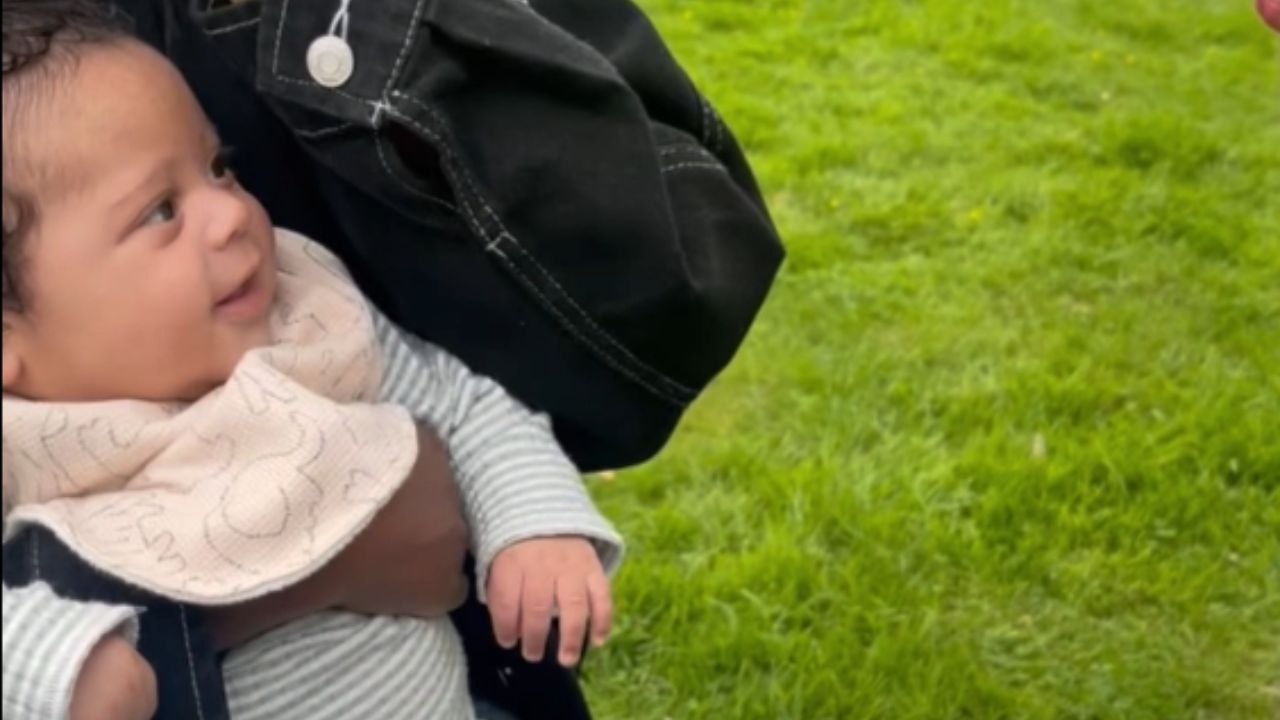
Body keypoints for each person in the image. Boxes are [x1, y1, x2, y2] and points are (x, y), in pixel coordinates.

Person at [3, 0, 785, 715]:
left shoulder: (302, 324)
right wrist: (55, 664)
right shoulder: (25, 444)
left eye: (218, 167)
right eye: (161, 211)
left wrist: (531, 526)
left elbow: (468, 404)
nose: (232, 215)